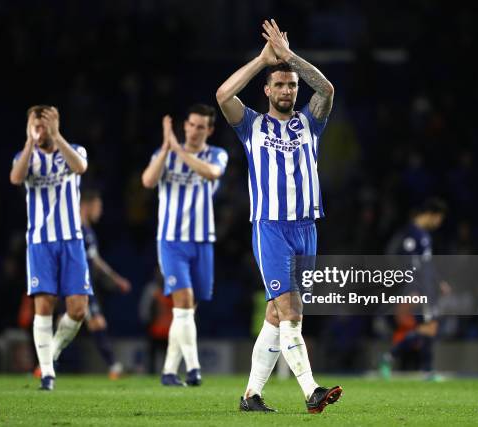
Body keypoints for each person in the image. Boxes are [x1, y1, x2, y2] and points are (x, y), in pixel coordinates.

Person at [216, 19, 342, 414]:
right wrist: (262, 60)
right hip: (271, 228)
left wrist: (290, 58)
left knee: (275, 314)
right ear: (267, 91)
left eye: (292, 85)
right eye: (281, 84)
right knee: (291, 312)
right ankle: (311, 392)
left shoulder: (311, 122)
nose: (288, 89)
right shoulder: (252, 125)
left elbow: (327, 88)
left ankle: (251, 396)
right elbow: (223, 94)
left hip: (307, 228)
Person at [141, 104, 228, 386]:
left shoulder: (216, 154)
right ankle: (193, 368)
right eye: (190, 124)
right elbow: (148, 180)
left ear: (209, 130)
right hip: (171, 241)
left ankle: (168, 371)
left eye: (201, 126)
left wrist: (178, 149)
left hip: (203, 241)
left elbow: (212, 174)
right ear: (185, 125)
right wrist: (167, 148)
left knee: (188, 311)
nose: (194, 130)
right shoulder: (165, 155)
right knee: (183, 302)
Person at [10, 105, 91, 391]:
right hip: (40, 242)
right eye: (36, 124)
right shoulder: (25, 157)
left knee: (79, 310)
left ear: (55, 124)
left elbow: (81, 167)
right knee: (43, 306)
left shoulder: (74, 150)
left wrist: (56, 136)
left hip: (72, 240)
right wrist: (30, 141)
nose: (41, 129)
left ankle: (52, 351)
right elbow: (16, 178)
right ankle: (47, 374)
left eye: (45, 124)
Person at [380, 197, 448, 380]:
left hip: (426, 287)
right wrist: (413, 287)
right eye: (439, 218)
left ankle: (424, 369)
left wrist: (438, 282)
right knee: (428, 327)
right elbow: (408, 264)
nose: (439, 223)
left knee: (429, 327)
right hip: (419, 288)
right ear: (432, 215)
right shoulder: (412, 233)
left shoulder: (423, 235)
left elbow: (425, 264)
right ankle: (394, 357)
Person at [78, 189, 131, 379]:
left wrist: (116, 279)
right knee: (96, 323)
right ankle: (114, 367)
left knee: (66, 324)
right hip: (76, 284)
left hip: (86, 284)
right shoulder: (74, 229)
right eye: (98, 206)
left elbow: (95, 260)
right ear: (86, 205)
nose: (100, 211)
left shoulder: (89, 231)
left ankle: (45, 365)